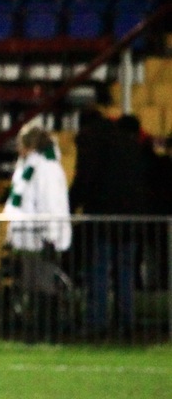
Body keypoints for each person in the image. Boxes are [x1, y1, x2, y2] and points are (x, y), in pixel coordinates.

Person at [71, 108, 149, 335]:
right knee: (125, 271)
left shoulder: (91, 140)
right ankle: (126, 322)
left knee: (99, 270)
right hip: (131, 219)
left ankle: (97, 322)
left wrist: (70, 206)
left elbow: (84, 179)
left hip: (102, 218)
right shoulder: (127, 141)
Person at [1, 123, 72, 340]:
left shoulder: (47, 168)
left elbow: (52, 204)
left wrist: (51, 235)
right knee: (32, 284)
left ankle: (48, 331)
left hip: (41, 237)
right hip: (29, 237)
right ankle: (36, 331)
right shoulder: (28, 167)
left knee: (44, 285)